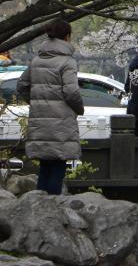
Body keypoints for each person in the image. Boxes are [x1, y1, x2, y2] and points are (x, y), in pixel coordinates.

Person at [16, 18, 84, 195]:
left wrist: (36, 102)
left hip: (40, 120)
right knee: (58, 167)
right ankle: (53, 208)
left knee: (45, 166)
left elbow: (22, 86)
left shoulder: (37, 60)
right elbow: (71, 93)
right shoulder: (67, 62)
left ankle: (39, 206)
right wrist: (79, 109)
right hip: (61, 122)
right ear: (67, 37)